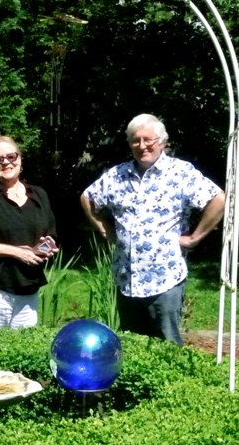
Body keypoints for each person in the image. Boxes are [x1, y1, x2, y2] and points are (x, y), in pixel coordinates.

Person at [80, 114, 225, 345]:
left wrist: (195, 237)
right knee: (132, 346)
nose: (142, 146)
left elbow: (217, 199)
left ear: (162, 141)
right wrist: (104, 229)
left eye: (148, 140)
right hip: (126, 279)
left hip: (164, 279)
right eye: (135, 140)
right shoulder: (117, 175)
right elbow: (88, 198)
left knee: (166, 345)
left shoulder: (180, 173)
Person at [0, 136, 58, 329]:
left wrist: (46, 247)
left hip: (28, 287)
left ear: (20, 159)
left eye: (11, 156)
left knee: (23, 351)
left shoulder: (38, 194)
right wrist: (18, 252)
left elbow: (50, 234)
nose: (6, 162)